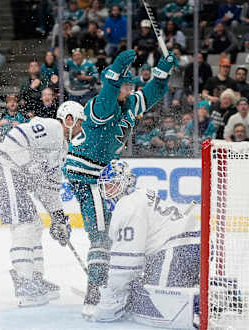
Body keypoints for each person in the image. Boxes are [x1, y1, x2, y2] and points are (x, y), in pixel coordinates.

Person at [62, 49, 175, 316]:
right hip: (86, 175)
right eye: (124, 85)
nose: (129, 89)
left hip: (102, 176)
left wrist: (161, 74)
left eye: (129, 86)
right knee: (100, 234)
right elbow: (105, 104)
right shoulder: (99, 105)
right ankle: (95, 294)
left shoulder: (131, 104)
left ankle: (111, 280)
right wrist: (113, 76)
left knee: (114, 230)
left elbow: (152, 94)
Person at [0, 101, 87, 307]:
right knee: (25, 224)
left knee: (34, 224)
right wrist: (29, 165)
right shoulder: (53, 128)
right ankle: (24, 283)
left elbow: (49, 188)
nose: (81, 129)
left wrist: (58, 218)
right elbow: (15, 135)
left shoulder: (61, 151)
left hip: (9, 173)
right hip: (0, 168)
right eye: (80, 123)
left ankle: (34, 278)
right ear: (69, 119)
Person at [92, 161, 200, 329]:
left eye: (112, 186)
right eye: (105, 188)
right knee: (155, 288)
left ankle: (198, 307)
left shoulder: (127, 205)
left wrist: (114, 294)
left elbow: (127, 262)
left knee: (160, 307)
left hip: (178, 249)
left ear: (126, 183)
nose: (108, 192)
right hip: (194, 245)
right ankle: (210, 295)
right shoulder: (141, 196)